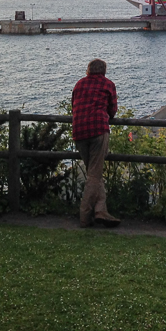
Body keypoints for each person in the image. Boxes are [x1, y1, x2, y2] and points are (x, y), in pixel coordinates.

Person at [71, 58, 121, 228]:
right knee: (94, 174)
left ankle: (101, 211)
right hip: (98, 130)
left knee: (94, 172)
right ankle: (85, 216)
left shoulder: (79, 84)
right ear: (104, 71)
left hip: (78, 130)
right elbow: (112, 111)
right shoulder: (108, 84)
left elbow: (74, 106)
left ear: (88, 70)